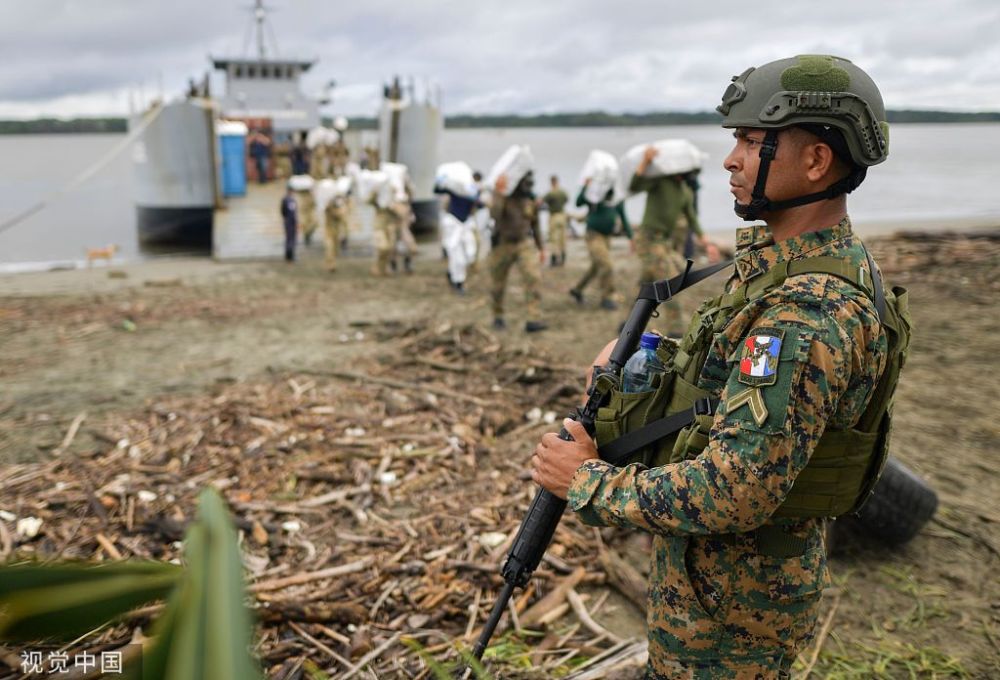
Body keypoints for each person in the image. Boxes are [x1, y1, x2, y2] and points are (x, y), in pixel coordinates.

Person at [530, 55, 899, 677]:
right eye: (736, 140)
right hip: (714, 591)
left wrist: (587, 481)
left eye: (754, 142)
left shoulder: (807, 311)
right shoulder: (789, 267)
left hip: (735, 614)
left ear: (816, 161)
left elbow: (737, 490)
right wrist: (650, 360)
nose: (730, 159)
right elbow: (728, 380)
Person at [629, 147, 709, 334]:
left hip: (663, 242)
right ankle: (676, 331)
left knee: (647, 282)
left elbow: (692, 217)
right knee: (669, 281)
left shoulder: (685, 191)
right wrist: (645, 161)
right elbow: (635, 185)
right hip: (648, 239)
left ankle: (628, 321)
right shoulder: (661, 182)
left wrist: (705, 240)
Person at [489, 172, 547, 332]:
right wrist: (499, 192)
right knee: (498, 283)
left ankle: (533, 318)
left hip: (524, 243)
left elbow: (535, 225)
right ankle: (498, 315)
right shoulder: (503, 197)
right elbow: (494, 214)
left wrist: (541, 248)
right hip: (503, 244)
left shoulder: (530, 200)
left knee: (533, 278)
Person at [569, 180, 633, 310]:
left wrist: (631, 237)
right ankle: (607, 298)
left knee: (597, 266)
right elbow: (578, 202)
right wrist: (585, 186)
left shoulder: (617, 198)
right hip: (593, 235)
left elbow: (623, 216)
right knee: (606, 265)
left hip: (607, 237)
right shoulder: (596, 195)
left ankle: (577, 289)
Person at [435, 182, 481, 294]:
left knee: (470, 254)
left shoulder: (474, 193)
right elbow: (438, 190)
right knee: (456, 256)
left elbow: (480, 205)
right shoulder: (455, 192)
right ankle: (458, 282)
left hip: (466, 226)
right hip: (454, 225)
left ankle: (453, 274)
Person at [540, 175, 569, 266]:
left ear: (551, 182)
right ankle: (563, 257)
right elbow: (567, 200)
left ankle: (554, 259)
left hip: (554, 216)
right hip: (562, 215)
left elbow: (541, 202)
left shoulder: (550, 193)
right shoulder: (563, 192)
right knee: (562, 238)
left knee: (553, 239)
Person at [279, 185, 298, 262]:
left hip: (287, 220)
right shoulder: (291, 200)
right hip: (290, 222)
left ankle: (288, 256)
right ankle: (290, 256)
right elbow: (292, 213)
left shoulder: (285, 199)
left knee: (288, 238)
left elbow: (282, 211)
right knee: (291, 239)